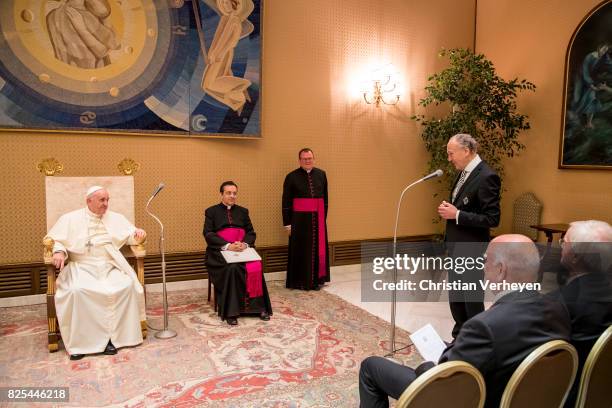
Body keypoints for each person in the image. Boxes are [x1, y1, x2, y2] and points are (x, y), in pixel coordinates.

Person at [359, 234, 571, 408]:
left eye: (485, 260)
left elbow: (445, 383)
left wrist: (425, 368)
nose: (482, 267)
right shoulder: (558, 309)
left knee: (371, 367)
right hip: (519, 397)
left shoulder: (484, 326)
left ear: (500, 270)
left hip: (470, 400)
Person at [45, 186, 146, 360]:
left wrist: (138, 234)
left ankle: (114, 339)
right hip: (81, 266)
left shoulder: (116, 218)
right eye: (102, 200)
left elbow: (130, 235)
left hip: (109, 265)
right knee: (77, 290)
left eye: (107, 200)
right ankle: (81, 344)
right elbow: (55, 240)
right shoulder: (70, 219)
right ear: (88, 201)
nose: (106, 204)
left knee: (126, 285)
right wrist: (59, 252)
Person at [437, 133, 501, 338]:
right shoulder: (464, 172)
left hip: (472, 247)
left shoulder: (487, 176)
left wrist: (457, 215)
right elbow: (463, 204)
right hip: (456, 245)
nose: (449, 158)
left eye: (451, 153)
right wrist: (452, 210)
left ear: (466, 151)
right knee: (456, 296)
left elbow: (492, 219)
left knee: (471, 299)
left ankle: (477, 339)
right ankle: (460, 337)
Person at [553, 220, 612, 407]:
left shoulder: (557, 304)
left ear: (575, 257)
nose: (561, 246)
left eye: (565, 242)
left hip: (568, 393)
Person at [203, 181, 272, 325]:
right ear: (221, 194)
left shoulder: (243, 211)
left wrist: (244, 244)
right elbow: (208, 234)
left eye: (234, 193)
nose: (232, 196)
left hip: (242, 249)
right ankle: (231, 311)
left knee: (256, 265)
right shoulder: (211, 211)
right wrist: (227, 245)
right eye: (228, 193)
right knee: (233, 268)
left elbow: (251, 232)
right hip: (220, 252)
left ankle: (258, 308)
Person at [282, 148, 330, 290]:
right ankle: (300, 281)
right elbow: (286, 201)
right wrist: (287, 224)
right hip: (299, 221)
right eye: (304, 159)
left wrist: (323, 218)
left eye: (310, 158)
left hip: (318, 218)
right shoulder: (291, 177)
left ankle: (317, 281)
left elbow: (325, 199)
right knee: (301, 250)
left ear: (313, 159)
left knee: (317, 249)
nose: (307, 161)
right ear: (300, 160)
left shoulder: (321, 174)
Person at [46, 0, 121, 69]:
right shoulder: (85, 15)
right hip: (94, 72)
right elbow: (110, 46)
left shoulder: (52, 15)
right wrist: (106, 18)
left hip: (71, 73)